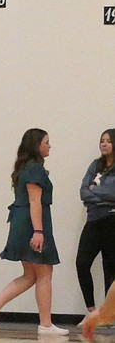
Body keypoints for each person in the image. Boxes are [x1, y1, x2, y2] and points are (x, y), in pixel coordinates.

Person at [0, 128, 67, 336]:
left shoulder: (28, 168)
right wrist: (38, 231)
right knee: (44, 272)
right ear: (36, 145)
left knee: (31, 274)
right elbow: (34, 201)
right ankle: (45, 325)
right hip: (32, 223)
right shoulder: (34, 169)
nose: (50, 145)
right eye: (47, 142)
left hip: (24, 221)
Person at [78, 129, 115, 315]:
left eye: (108, 141)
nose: (104, 144)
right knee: (82, 263)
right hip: (93, 220)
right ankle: (92, 311)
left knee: (109, 268)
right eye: (102, 140)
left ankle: (109, 314)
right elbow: (83, 191)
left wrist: (96, 192)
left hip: (111, 220)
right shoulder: (95, 165)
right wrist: (100, 195)